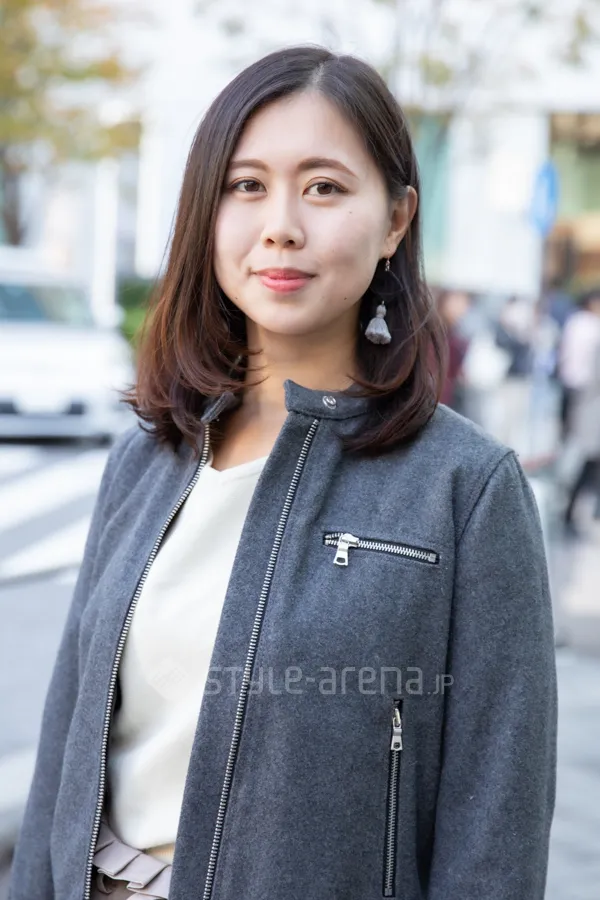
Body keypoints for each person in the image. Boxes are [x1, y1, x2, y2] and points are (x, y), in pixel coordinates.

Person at [9, 47, 557, 900]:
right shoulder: (146, 458)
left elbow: (496, 830)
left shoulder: (466, 488)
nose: (281, 226)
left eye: (325, 187)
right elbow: (64, 753)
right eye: (246, 185)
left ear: (396, 220)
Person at [561, 288, 600, 533]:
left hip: (581, 398)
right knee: (586, 461)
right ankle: (571, 512)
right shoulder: (590, 327)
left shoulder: (577, 323)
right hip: (589, 404)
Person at [436, 288, 471, 414]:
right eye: (458, 301)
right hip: (435, 396)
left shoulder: (454, 330)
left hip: (445, 396)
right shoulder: (436, 329)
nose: (463, 308)